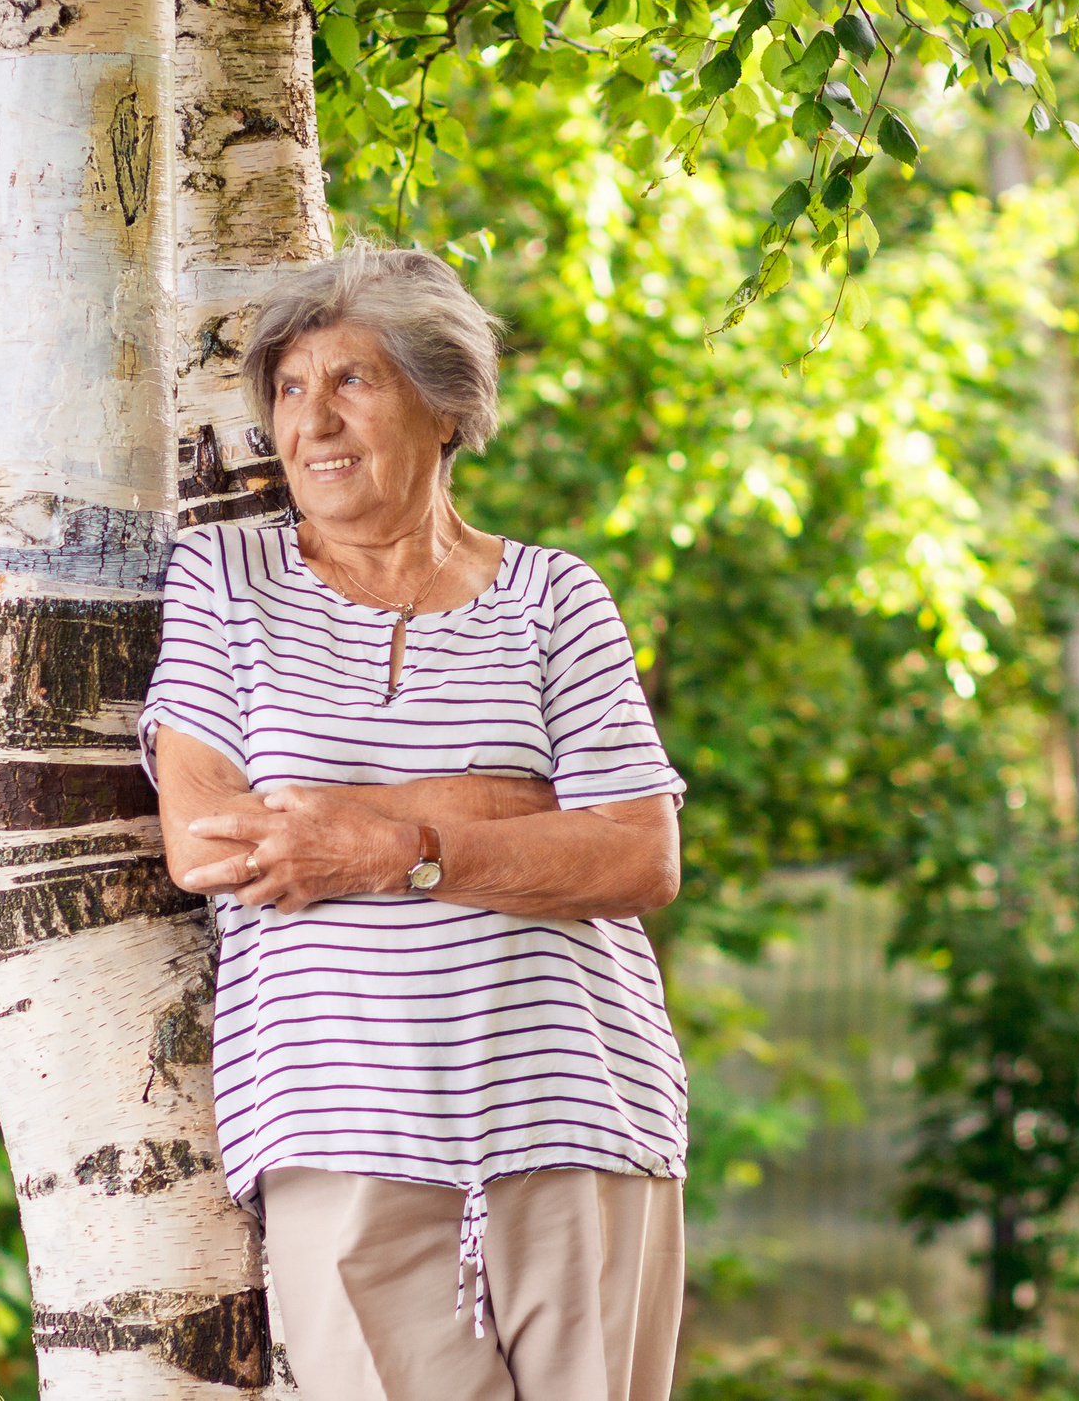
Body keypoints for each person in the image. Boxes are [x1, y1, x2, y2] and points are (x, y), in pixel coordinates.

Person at [138, 247, 691, 1401]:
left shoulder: (554, 595)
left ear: (445, 409)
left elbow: (637, 852)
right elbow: (210, 842)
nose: (313, 421)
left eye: (354, 381)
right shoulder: (225, 577)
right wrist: (510, 808)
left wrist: (385, 844)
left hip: (579, 1107)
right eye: (290, 388)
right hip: (337, 1125)